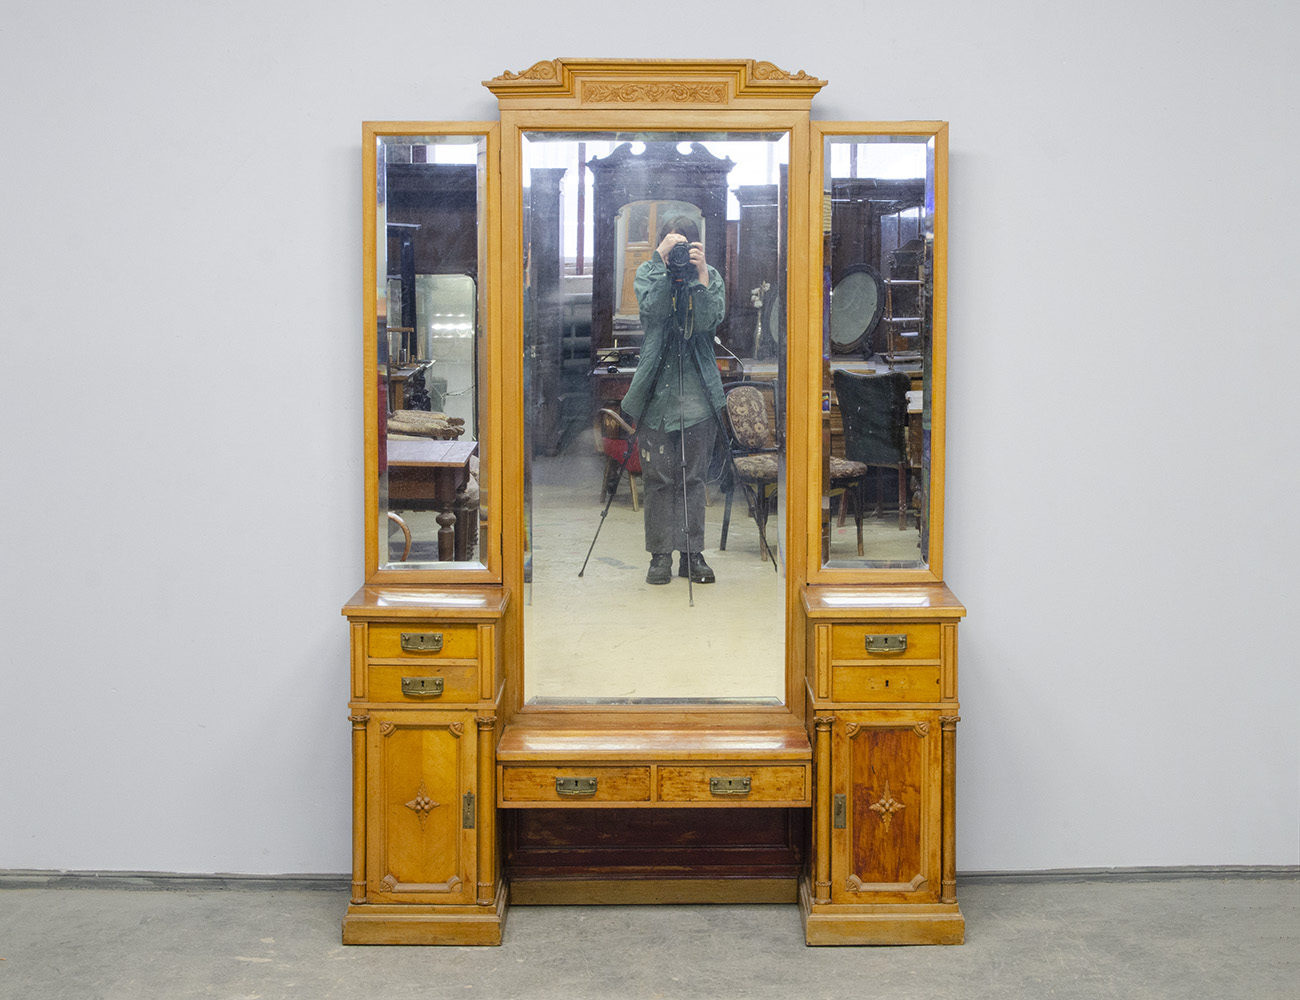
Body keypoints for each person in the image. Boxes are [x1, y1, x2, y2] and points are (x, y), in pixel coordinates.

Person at [620, 216, 726, 586]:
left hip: (698, 397)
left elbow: (709, 321)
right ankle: (660, 556)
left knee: (693, 479)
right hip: (656, 396)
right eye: (673, 244)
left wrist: (700, 278)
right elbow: (653, 312)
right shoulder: (649, 273)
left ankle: (692, 554)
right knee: (658, 479)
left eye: (686, 245)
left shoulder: (709, 276)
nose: (680, 252)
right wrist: (661, 264)